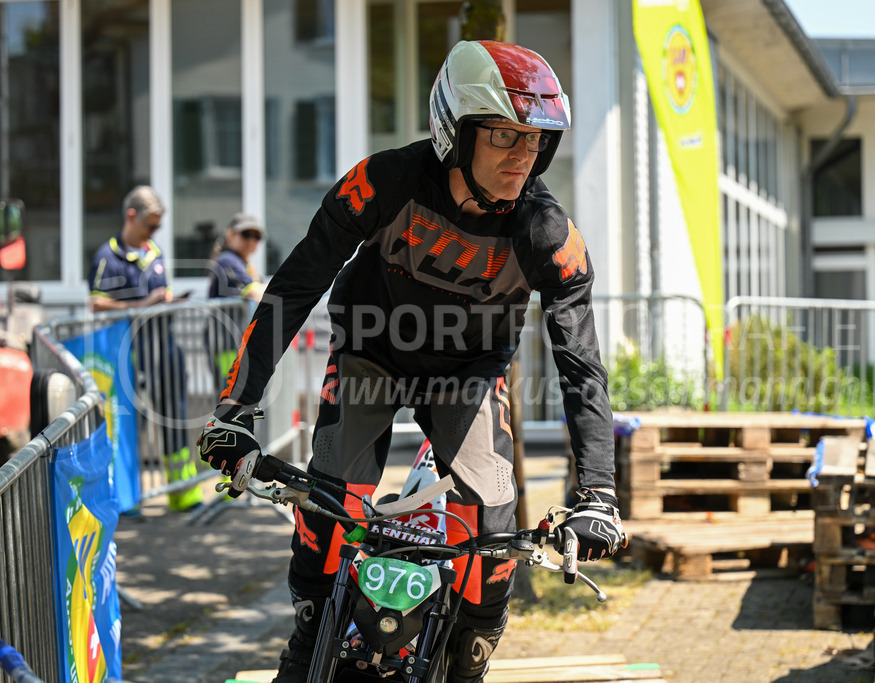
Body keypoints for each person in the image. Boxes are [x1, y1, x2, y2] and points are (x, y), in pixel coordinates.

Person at [197, 40, 625, 683]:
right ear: (457, 128)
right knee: (330, 498)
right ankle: (309, 634)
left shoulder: (547, 234)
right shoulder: (386, 181)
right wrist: (237, 409)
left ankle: (469, 658)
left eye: (536, 139)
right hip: (374, 353)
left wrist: (598, 491)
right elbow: (292, 288)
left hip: (470, 373)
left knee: (492, 513)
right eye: (505, 136)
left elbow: (581, 366)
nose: (523, 156)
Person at [89, 185, 204, 512]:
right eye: (150, 225)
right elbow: (95, 304)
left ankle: (182, 494)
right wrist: (142, 304)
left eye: (158, 226)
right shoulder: (106, 256)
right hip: (127, 352)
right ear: (130, 216)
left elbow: (161, 291)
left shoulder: (155, 253)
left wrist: (166, 299)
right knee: (127, 424)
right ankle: (126, 499)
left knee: (174, 417)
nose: (154, 232)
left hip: (164, 347)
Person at [208, 213, 268, 385]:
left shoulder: (244, 264)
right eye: (246, 234)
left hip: (237, 342)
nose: (251, 241)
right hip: (226, 344)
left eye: (257, 237)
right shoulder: (227, 260)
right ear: (231, 235)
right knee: (232, 394)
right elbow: (256, 292)